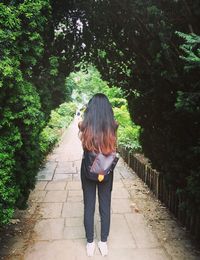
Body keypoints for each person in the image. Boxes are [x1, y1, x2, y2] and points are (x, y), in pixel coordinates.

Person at [78, 93, 118, 257]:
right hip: (105, 169)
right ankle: (103, 243)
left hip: (88, 168)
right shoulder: (113, 125)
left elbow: (85, 148)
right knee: (105, 206)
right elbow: (113, 148)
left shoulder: (84, 126)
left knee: (89, 205)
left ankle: (89, 243)